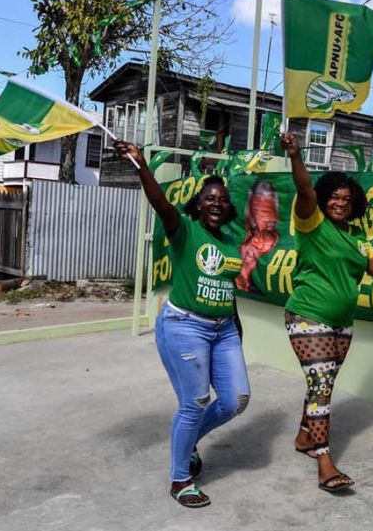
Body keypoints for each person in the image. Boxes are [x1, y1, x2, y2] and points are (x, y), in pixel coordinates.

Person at [279, 132, 373, 493]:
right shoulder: (311, 222)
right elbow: (303, 191)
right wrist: (296, 156)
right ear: (324, 197)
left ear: (355, 203)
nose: (340, 203)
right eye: (334, 196)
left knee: (322, 382)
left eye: (347, 199)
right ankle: (325, 461)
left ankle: (304, 437)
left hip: (342, 325)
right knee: (322, 387)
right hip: (307, 316)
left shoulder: (358, 237)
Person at [115, 140, 252, 508]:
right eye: (209, 197)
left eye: (222, 199)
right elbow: (160, 202)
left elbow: (226, 286)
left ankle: (189, 439)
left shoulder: (231, 242)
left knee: (236, 399)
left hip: (223, 330)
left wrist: (235, 327)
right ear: (198, 203)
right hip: (184, 326)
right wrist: (141, 164)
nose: (217, 203)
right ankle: (180, 479)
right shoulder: (184, 229)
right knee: (193, 402)